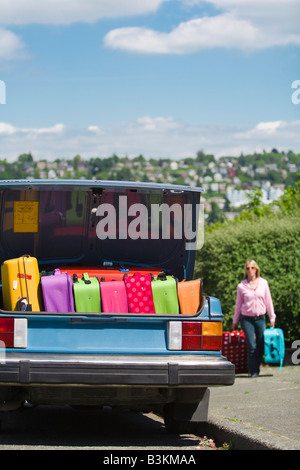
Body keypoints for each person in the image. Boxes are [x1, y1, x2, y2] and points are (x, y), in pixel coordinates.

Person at [232, 260, 276, 377]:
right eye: (248, 268)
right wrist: (235, 321)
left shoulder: (263, 283)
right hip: (246, 319)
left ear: (256, 269)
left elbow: (268, 301)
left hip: (260, 318)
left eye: (252, 268)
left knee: (261, 344)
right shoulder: (241, 286)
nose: (250, 270)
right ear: (245, 271)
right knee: (252, 345)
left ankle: (256, 367)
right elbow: (238, 304)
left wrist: (272, 317)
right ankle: (253, 371)